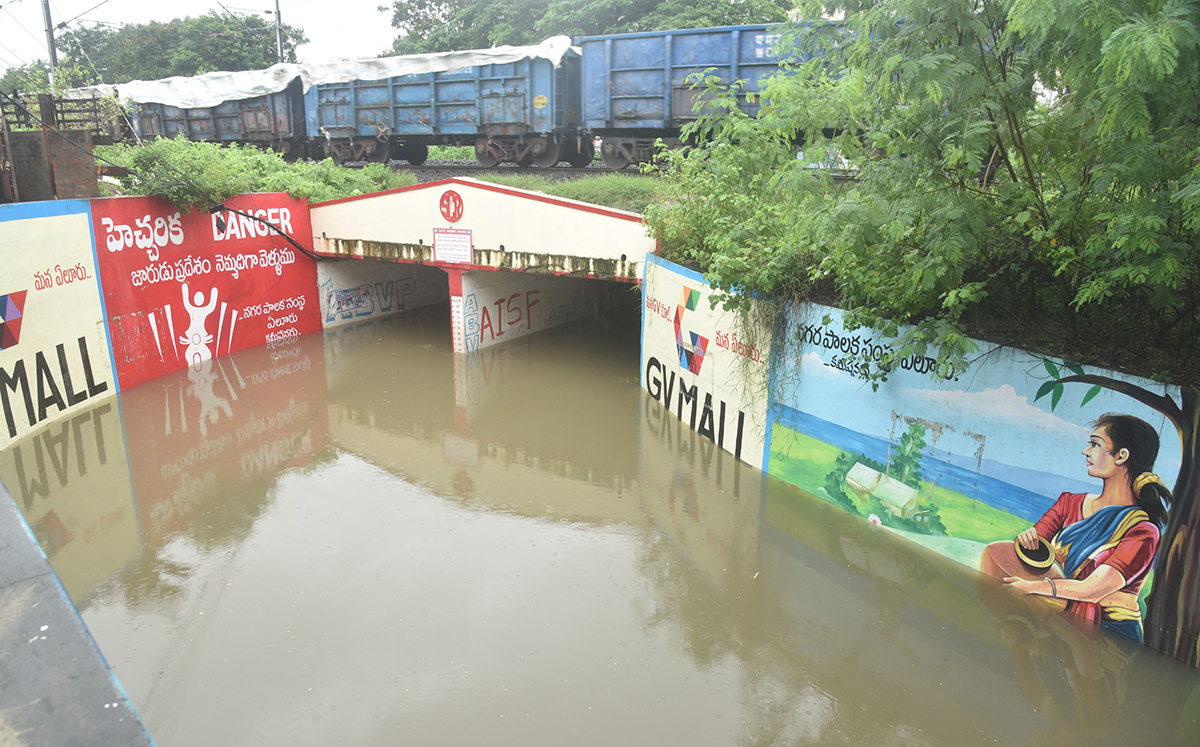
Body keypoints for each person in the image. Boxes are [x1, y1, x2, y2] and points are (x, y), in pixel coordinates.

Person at [1003, 414, 1172, 643]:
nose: (1085, 451)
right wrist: (1028, 540)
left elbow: (1093, 589)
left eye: (1095, 444)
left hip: (1109, 638)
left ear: (1121, 456)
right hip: (1057, 613)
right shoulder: (1069, 503)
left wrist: (1032, 587)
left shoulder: (1143, 533)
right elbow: (1035, 549)